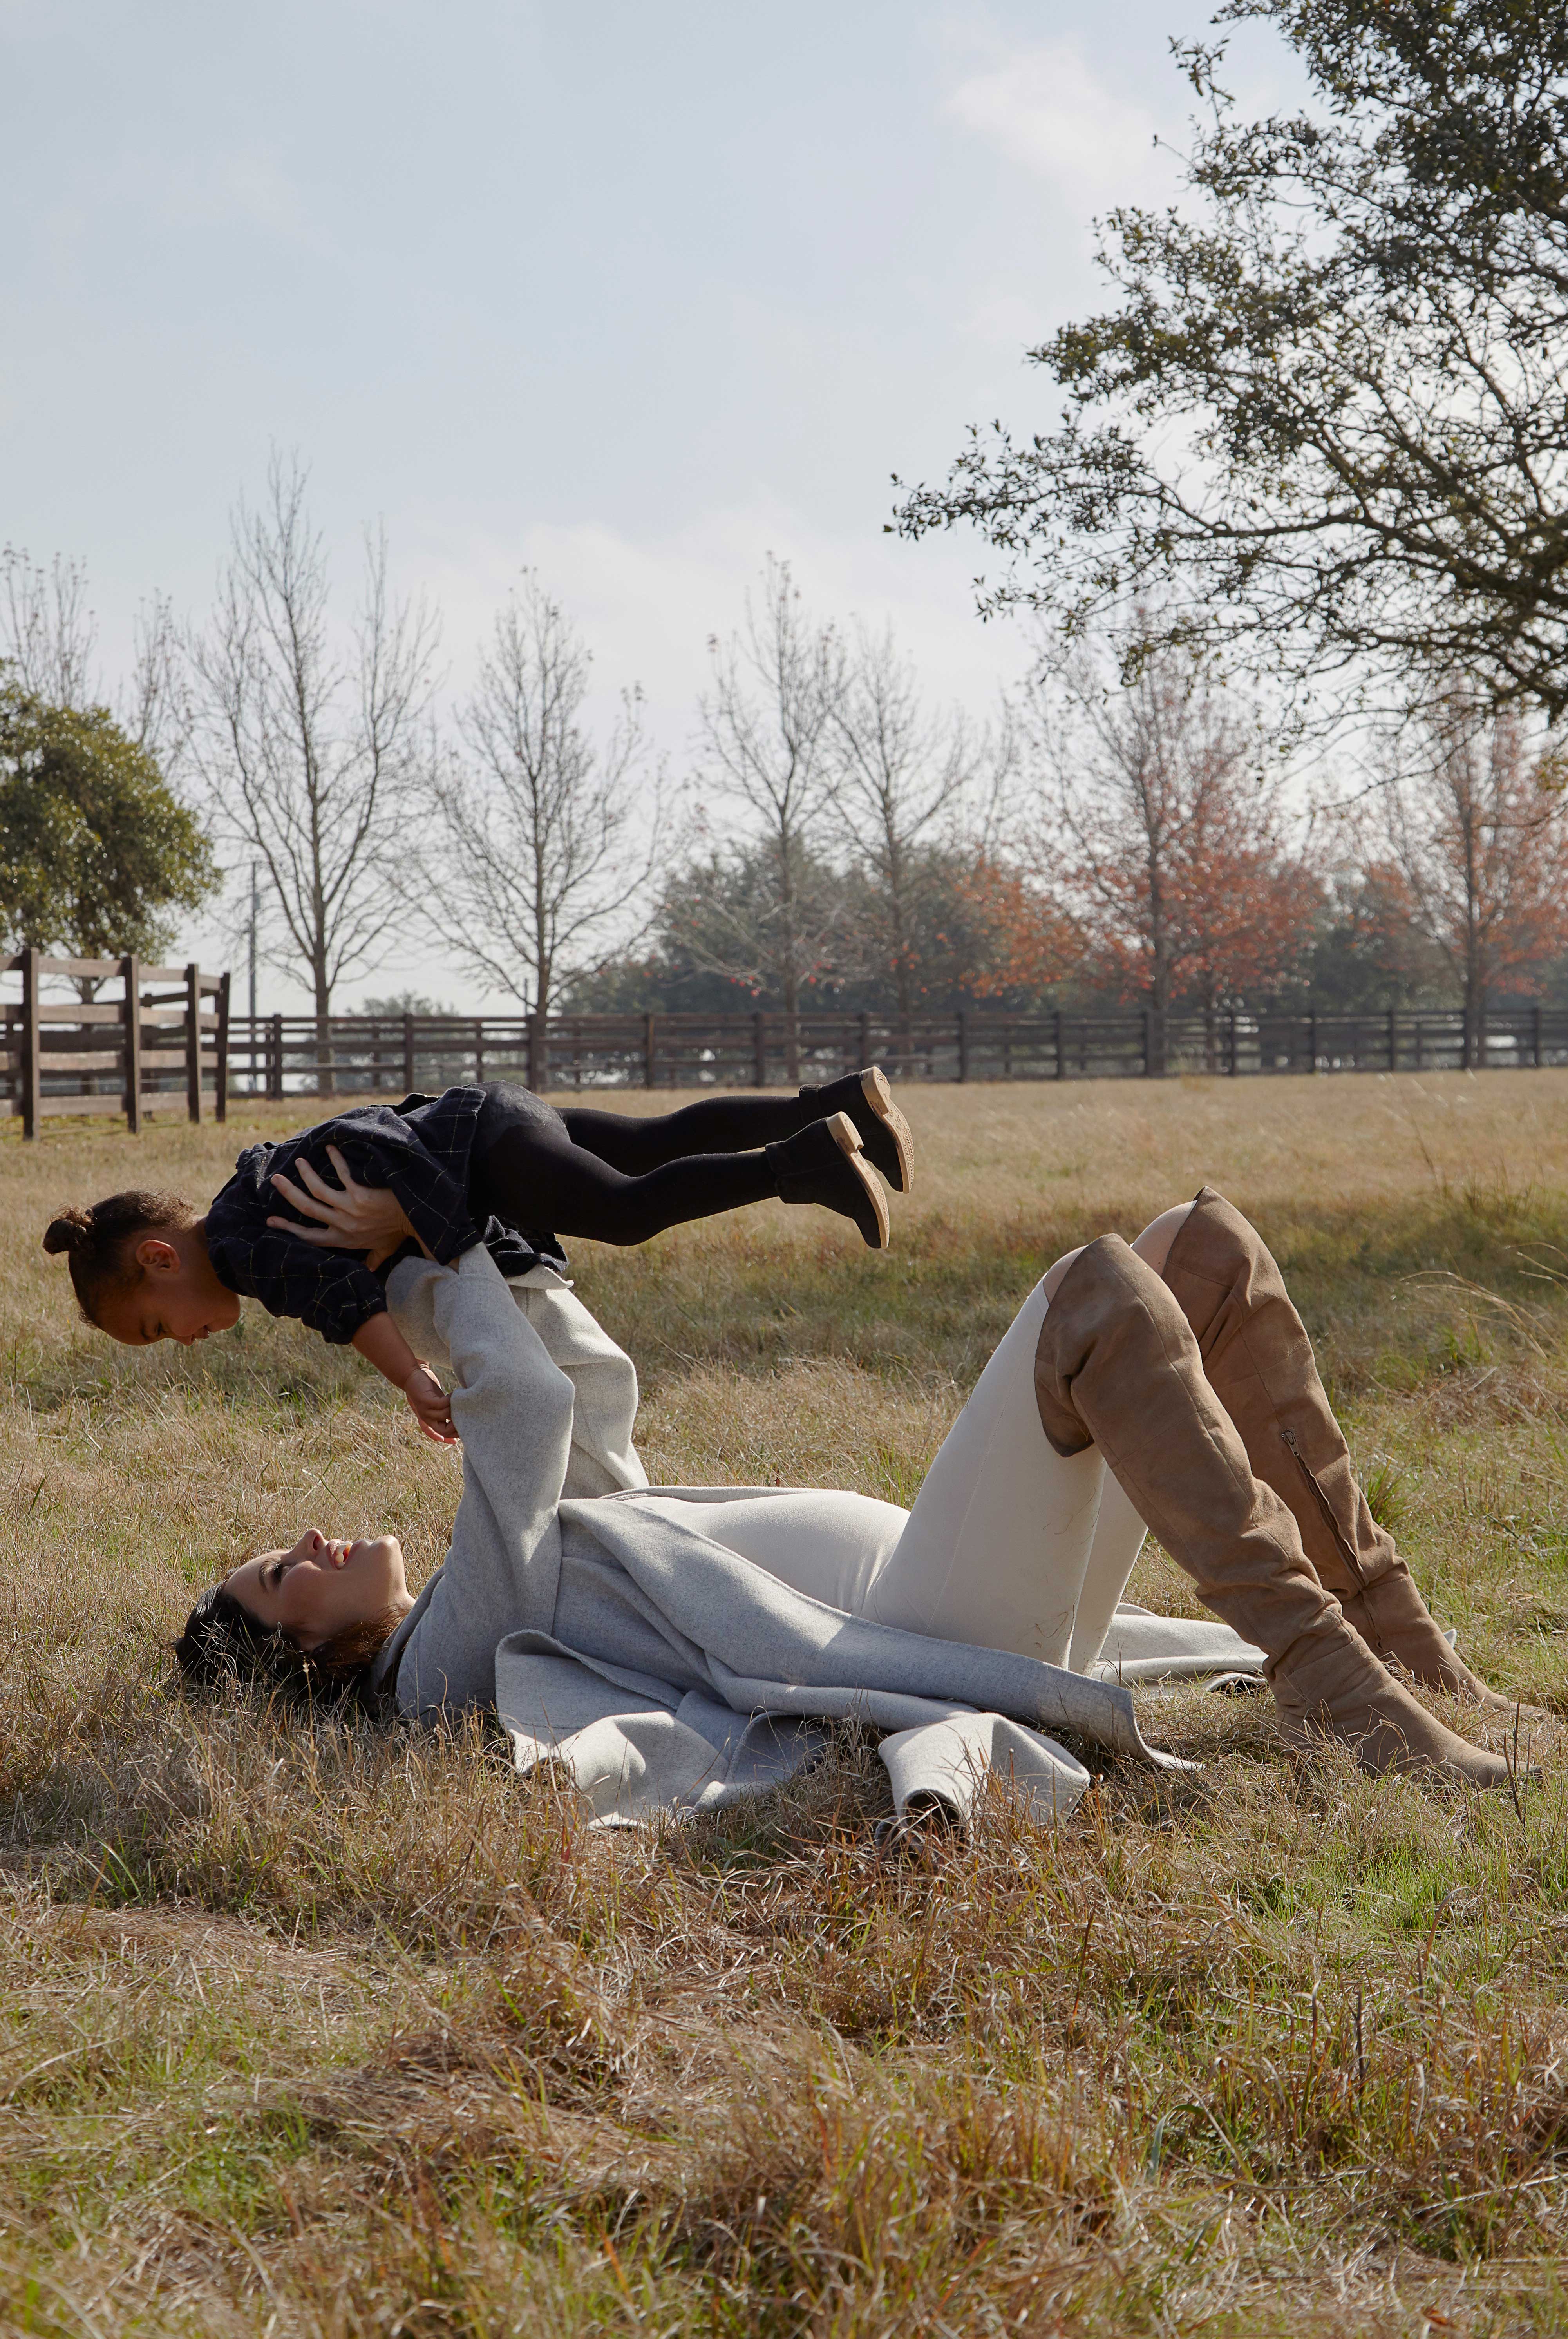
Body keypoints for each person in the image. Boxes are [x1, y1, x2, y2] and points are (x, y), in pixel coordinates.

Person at [176, 1183, 1528, 1803]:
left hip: (969, 1593)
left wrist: (480, 1227)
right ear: (303, 1656)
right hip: (943, 1631)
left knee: (1206, 1248)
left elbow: (578, 1384)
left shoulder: (505, 1581)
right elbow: (518, 1415)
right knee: (1100, 1293)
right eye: (279, 1574)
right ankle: (1348, 1704)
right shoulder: (436, 1665)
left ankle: (1412, 1660)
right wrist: (418, 1236)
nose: (307, 1541)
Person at [43, 1070, 912, 1443]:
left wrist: (414, 1382)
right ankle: (840, 1106)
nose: (185, 1341)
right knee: (650, 1140)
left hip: (476, 1158)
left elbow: (349, 1308)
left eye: (161, 1328)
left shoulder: (244, 1251)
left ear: (161, 1258)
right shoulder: (247, 1193)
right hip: (480, 1117)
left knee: (624, 1211)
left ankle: (801, 1166)